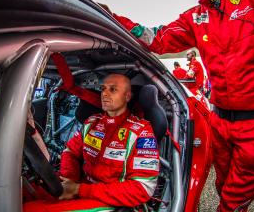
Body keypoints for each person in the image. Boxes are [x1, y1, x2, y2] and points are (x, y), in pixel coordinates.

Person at [99, 0, 254, 211]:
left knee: (233, 201)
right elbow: (157, 39)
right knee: (222, 186)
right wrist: (113, 18)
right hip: (219, 124)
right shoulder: (193, 19)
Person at [24, 74, 159, 211]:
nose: (104, 94)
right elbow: (70, 151)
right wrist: (69, 179)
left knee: (29, 209)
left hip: (112, 200)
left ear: (127, 96)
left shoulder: (141, 131)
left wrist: (79, 190)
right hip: (82, 188)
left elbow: (143, 188)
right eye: (103, 89)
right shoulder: (92, 122)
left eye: (112, 90)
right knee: (22, 191)